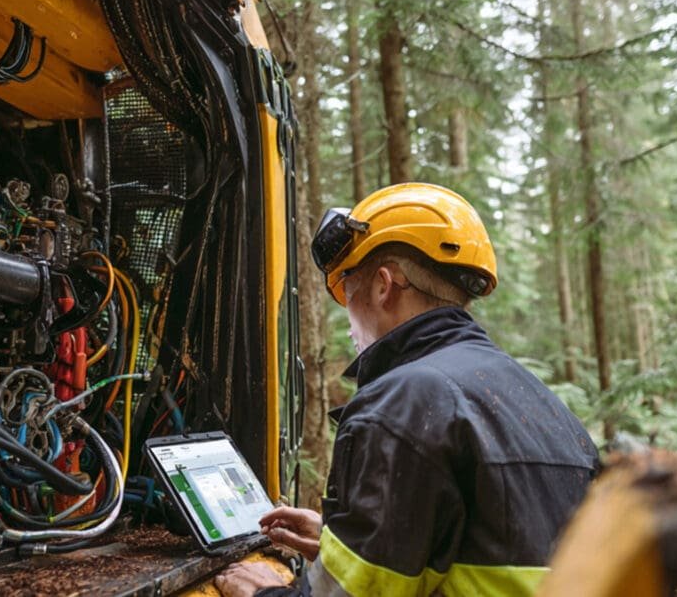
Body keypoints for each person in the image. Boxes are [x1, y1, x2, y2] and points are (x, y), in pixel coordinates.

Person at [215, 183, 599, 597]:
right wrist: (341, 543)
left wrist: (262, 593)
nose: (347, 319)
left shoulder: (402, 404)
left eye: (347, 290)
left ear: (384, 285)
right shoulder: (538, 401)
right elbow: (491, 548)